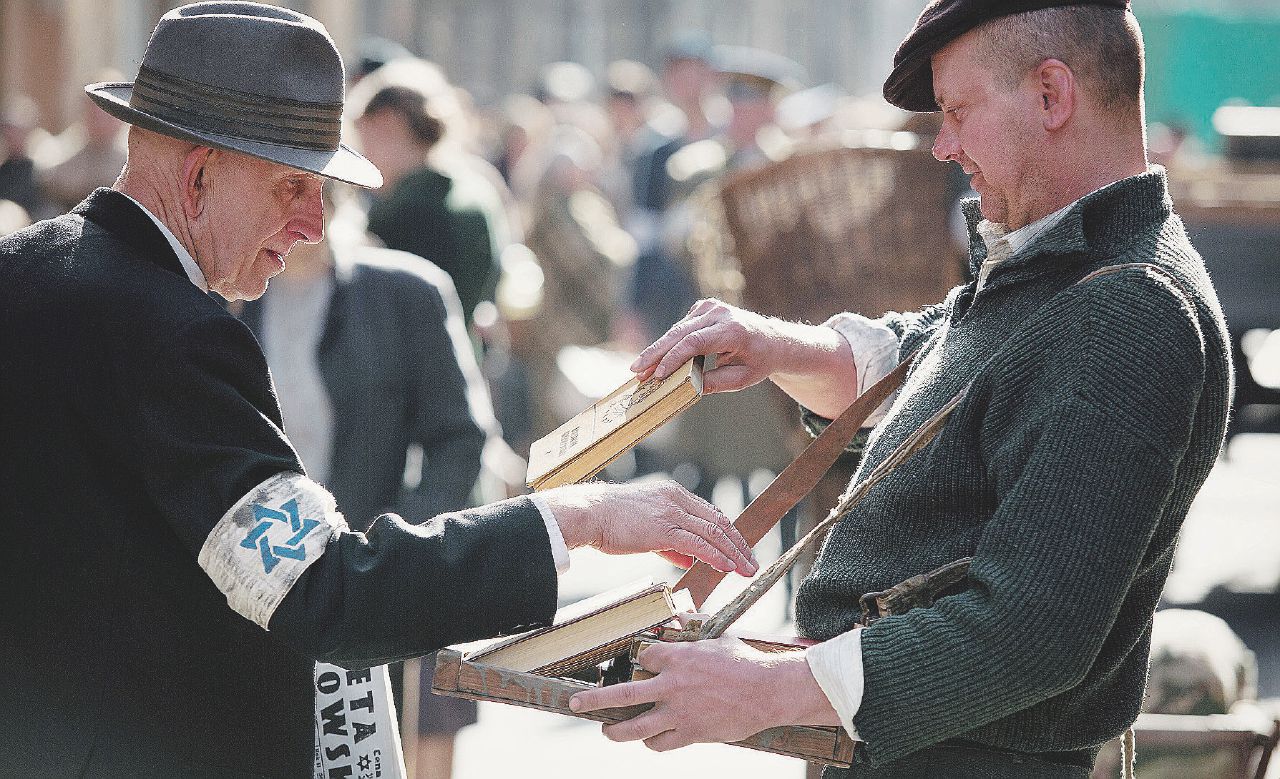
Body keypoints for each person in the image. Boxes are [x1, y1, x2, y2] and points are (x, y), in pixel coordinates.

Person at [0, 5, 756, 778]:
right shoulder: (174, 331)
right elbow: (324, 589)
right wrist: (574, 517)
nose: (313, 224)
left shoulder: (20, 270)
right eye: (293, 185)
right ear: (198, 175)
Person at [571, 2, 1233, 777]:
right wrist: (775, 344)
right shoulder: (1062, 260)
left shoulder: (1133, 307)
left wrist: (766, 687)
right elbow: (929, 354)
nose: (944, 147)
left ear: (1052, 95)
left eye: (956, 112)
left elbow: (1031, 633)